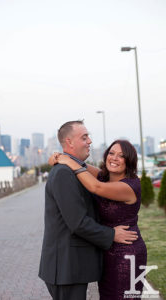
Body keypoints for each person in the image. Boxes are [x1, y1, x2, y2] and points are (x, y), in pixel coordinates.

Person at [38, 120, 138, 300]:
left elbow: (96, 186)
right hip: (65, 268)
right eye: (84, 137)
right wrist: (111, 234)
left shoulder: (77, 170)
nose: (90, 141)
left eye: (121, 156)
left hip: (86, 264)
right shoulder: (64, 172)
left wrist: (63, 157)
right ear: (69, 142)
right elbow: (78, 223)